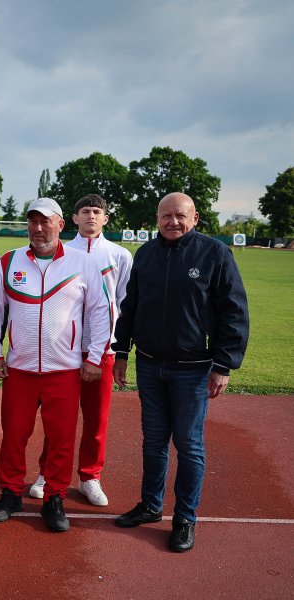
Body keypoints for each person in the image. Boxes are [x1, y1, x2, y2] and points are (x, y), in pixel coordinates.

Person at [113, 192, 249, 553]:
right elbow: (130, 306)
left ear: (195, 218)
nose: (173, 222)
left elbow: (233, 311)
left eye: (180, 216)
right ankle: (151, 505)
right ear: (157, 219)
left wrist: (224, 364)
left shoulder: (215, 253)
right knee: (153, 442)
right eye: (166, 216)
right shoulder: (146, 254)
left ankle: (185, 518)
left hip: (193, 369)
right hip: (150, 364)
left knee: (189, 445)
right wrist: (121, 351)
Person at [0, 197, 110, 532]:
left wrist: (94, 357)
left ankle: (54, 498)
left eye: (45, 222)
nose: (38, 228)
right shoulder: (9, 261)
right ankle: (10, 493)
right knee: (14, 435)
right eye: (32, 222)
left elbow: (101, 312)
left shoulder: (83, 262)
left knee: (61, 439)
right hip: (19, 370)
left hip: (64, 370)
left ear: (60, 225)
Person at [28, 194, 132, 506]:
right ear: (73, 218)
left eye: (97, 211)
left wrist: (119, 349)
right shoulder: (60, 251)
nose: (91, 216)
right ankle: (47, 473)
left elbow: (123, 305)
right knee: (58, 418)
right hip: (64, 349)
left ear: (105, 218)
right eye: (85, 211)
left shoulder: (120, 255)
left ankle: (90, 476)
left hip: (102, 350)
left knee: (96, 419)